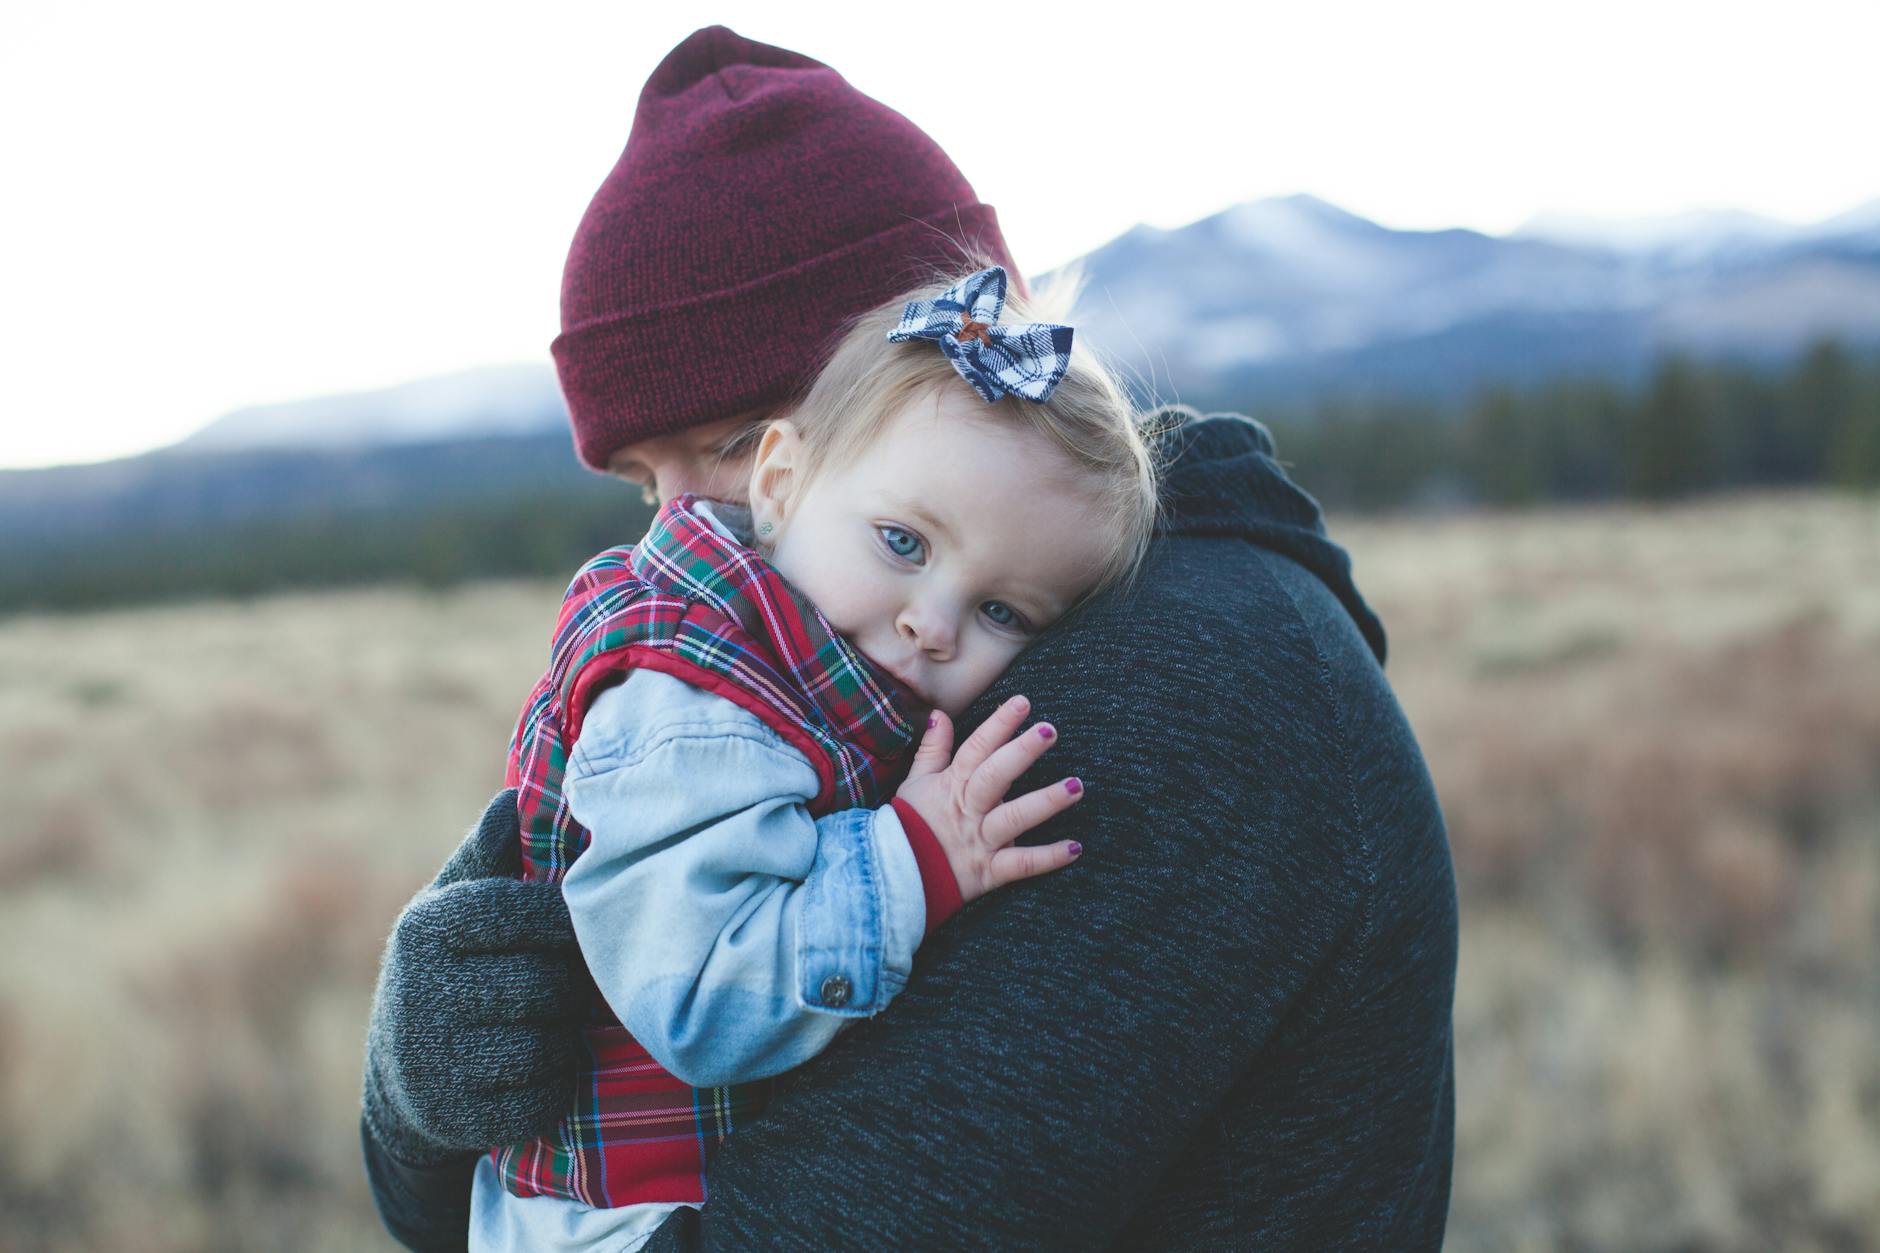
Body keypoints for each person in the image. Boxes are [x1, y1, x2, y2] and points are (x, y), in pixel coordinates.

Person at [362, 25, 1458, 1251]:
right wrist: (419, 1087)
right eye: (639, 482)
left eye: (727, 445)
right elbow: (452, 1196)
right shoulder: (816, 665)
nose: (679, 532)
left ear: (938, 364)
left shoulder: (1176, 688)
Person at [474, 264, 1157, 1251]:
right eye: (901, 541)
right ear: (782, 484)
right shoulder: (692, 703)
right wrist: (913, 856)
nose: (932, 623)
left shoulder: (820, 661)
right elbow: (703, 996)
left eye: (1001, 611)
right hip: (619, 1222)